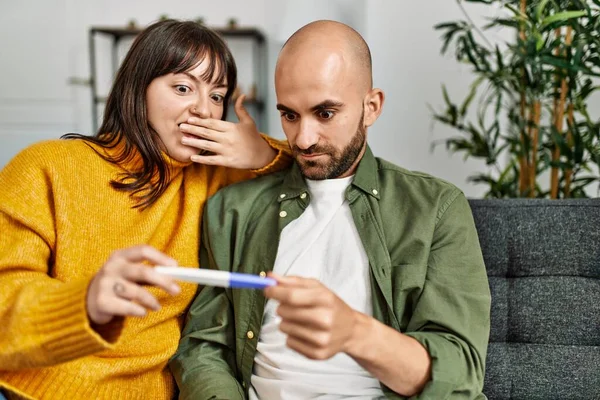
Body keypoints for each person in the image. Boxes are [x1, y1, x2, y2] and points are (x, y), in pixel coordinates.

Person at [171, 20, 491, 399]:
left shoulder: (435, 208)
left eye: (324, 114)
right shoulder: (232, 210)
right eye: (289, 115)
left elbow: (460, 371)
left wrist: (355, 332)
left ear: (370, 107)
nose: (303, 140)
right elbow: (204, 348)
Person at [0, 19, 291, 400]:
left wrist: (264, 154)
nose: (205, 110)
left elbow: (322, 164)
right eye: (183, 88)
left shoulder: (217, 176)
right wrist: (85, 301)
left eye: (217, 96)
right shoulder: (45, 167)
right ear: (139, 89)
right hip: (32, 389)